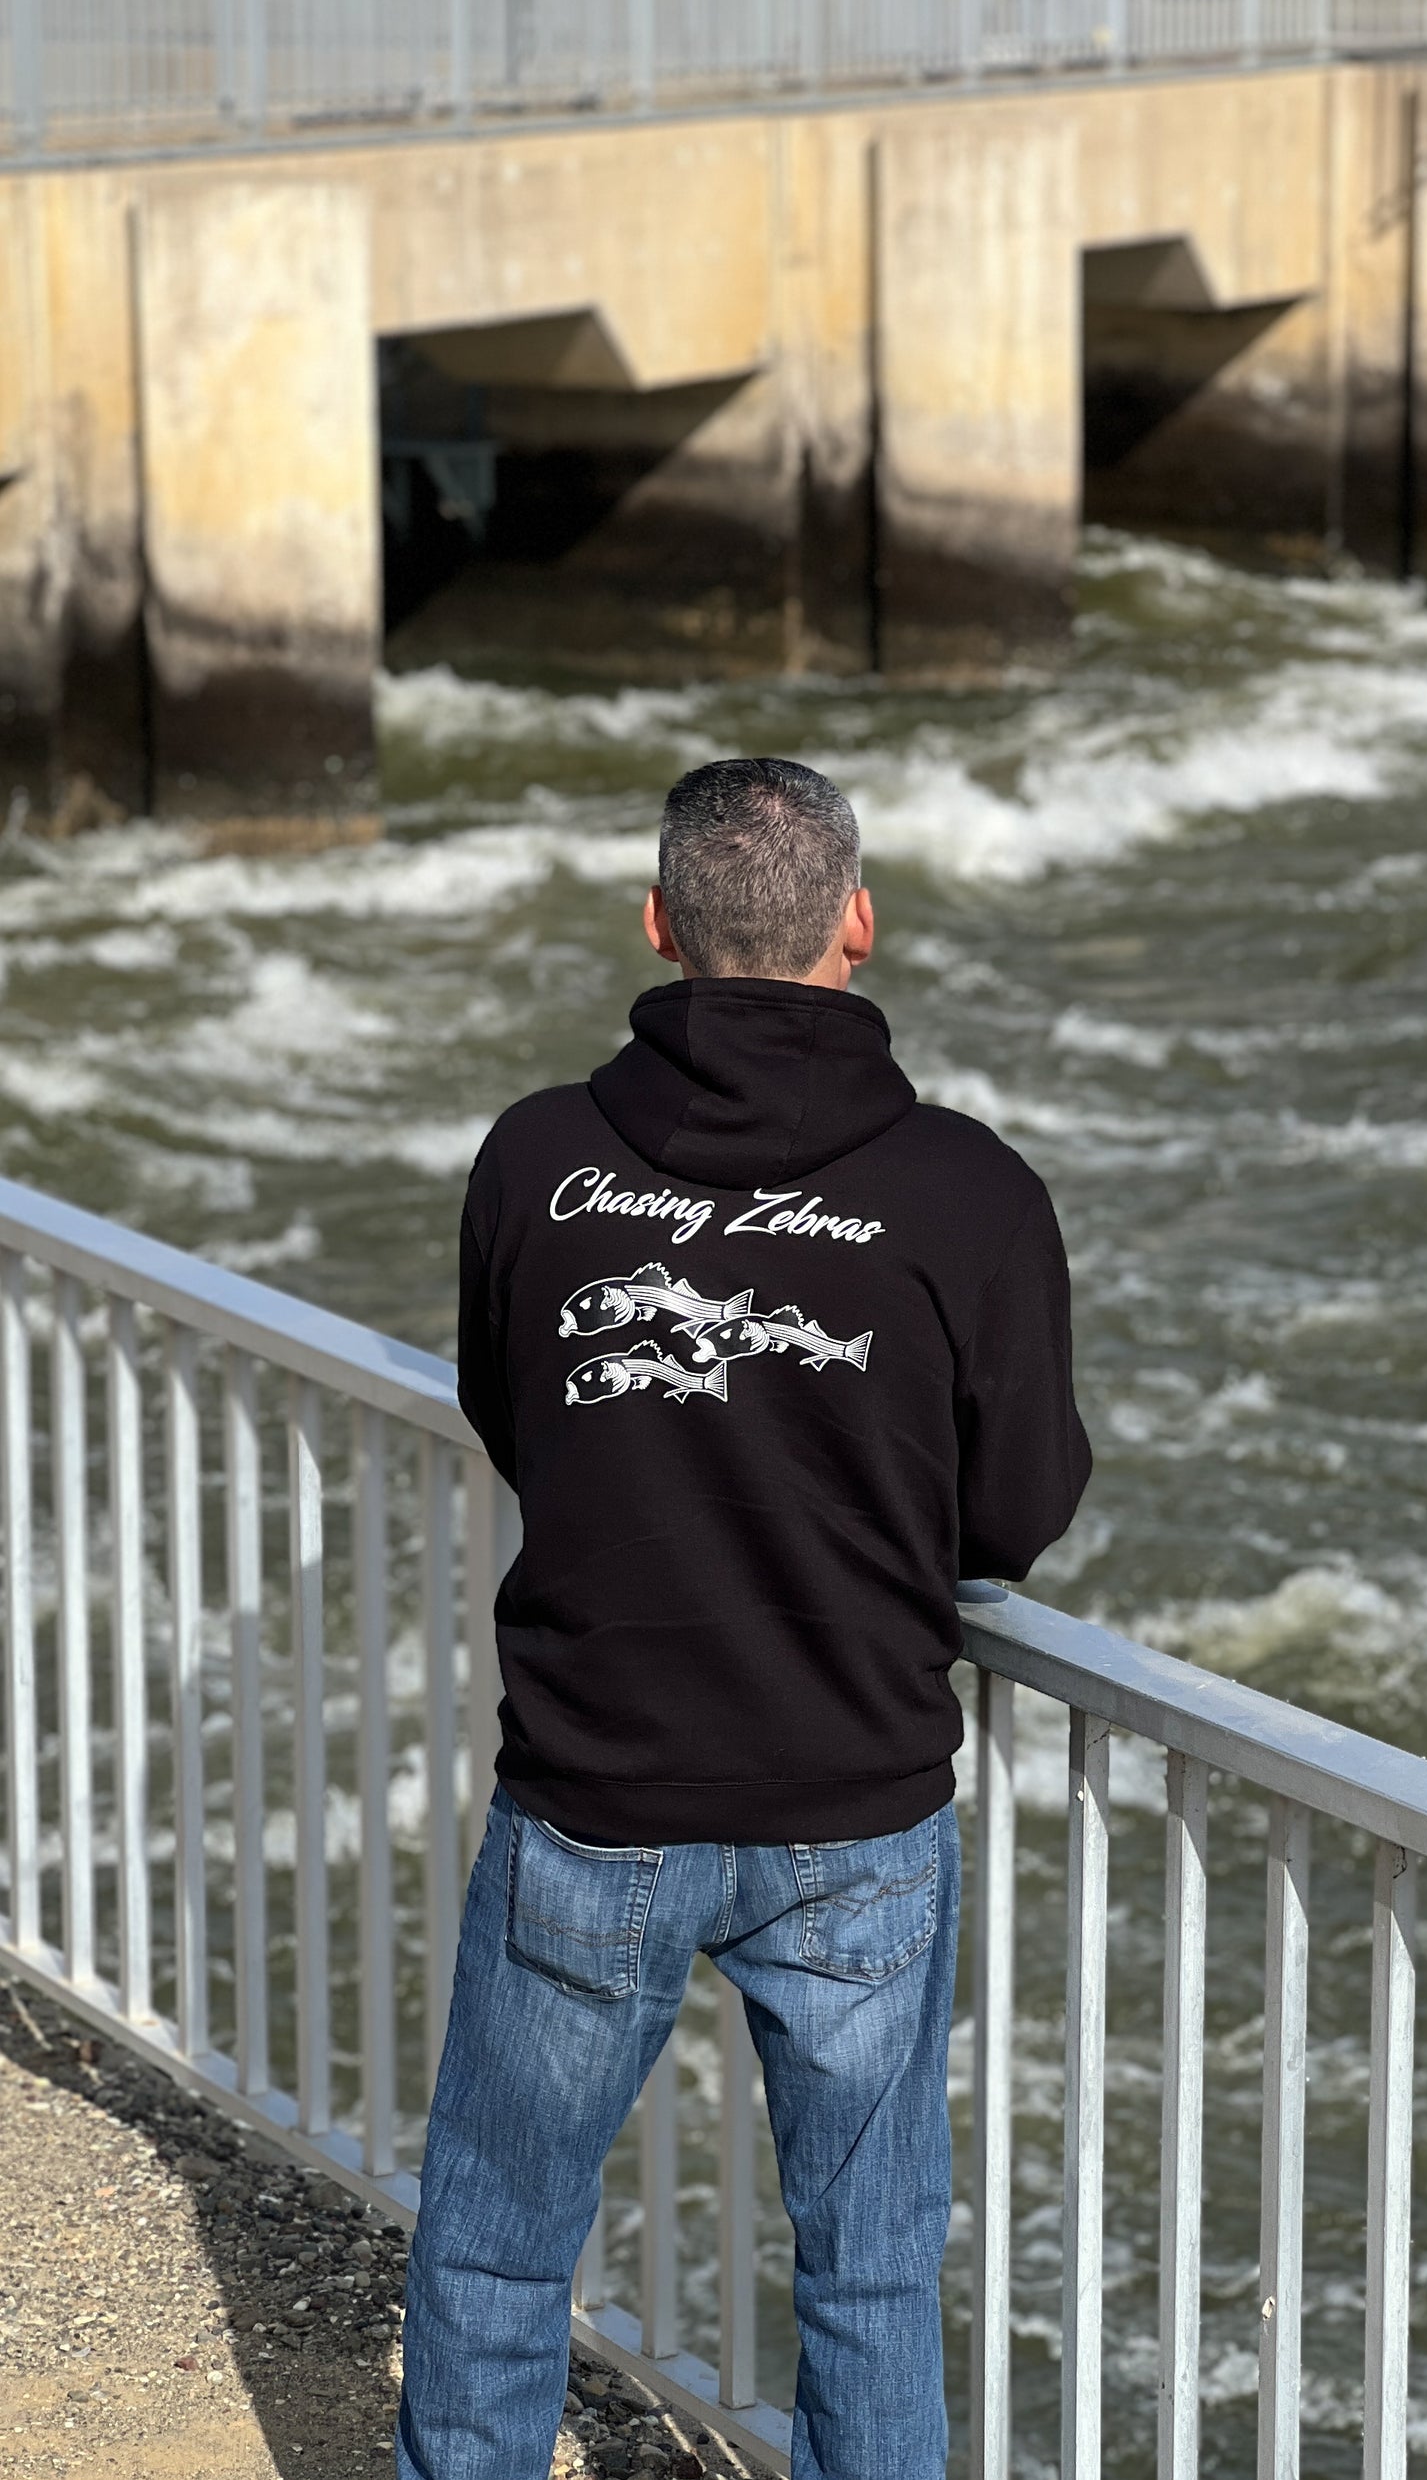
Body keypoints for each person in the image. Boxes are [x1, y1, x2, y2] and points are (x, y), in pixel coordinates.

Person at [397, 757, 1092, 2480]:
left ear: (660, 928)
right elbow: (1013, 1514)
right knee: (863, 2281)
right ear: (858, 920)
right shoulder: (969, 1193)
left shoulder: (539, 1159)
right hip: (854, 1803)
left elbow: (519, 1411)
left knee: (493, 2257)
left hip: (592, 1796)